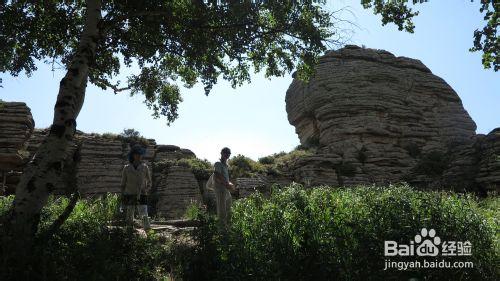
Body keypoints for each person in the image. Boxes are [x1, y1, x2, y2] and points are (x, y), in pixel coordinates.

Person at [120, 144, 152, 230]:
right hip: (129, 193)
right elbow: (123, 183)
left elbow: (149, 181)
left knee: (144, 214)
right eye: (137, 154)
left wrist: (146, 189)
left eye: (140, 154)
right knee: (129, 214)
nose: (139, 156)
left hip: (141, 194)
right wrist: (122, 195)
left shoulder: (145, 167)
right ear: (133, 155)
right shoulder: (126, 168)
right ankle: (129, 233)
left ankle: (148, 232)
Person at [212, 147, 235, 226]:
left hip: (225, 188)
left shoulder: (225, 165)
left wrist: (229, 184)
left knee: (228, 206)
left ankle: (228, 225)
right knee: (222, 209)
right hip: (220, 189)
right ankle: (222, 229)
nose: (227, 154)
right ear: (221, 153)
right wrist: (227, 184)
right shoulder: (218, 163)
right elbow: (217, 175)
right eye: (226, 152)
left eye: (229, 153)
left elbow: (224, 177)